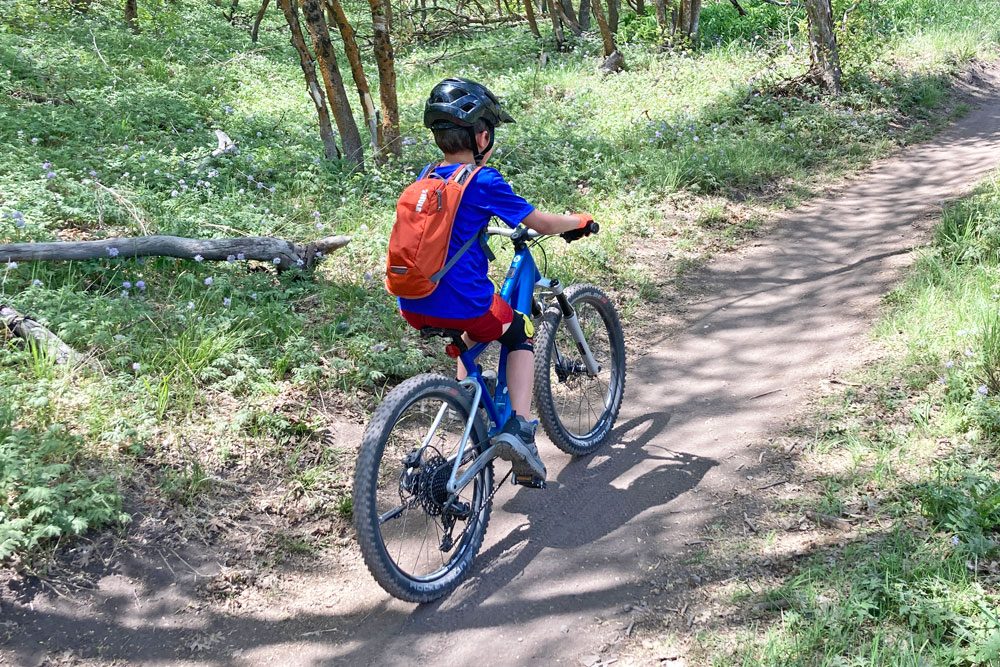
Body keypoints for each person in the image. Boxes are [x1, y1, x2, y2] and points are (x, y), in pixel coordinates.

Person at [397, 77, 593, 488]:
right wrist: (577, 221)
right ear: (482, 135)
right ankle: (519, 430)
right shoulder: (483, 180)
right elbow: (537, 223)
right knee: (518, 331)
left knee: (470, 334)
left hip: (414, 301)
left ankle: (465, 392)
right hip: (463, 301)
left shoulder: (427, 176)